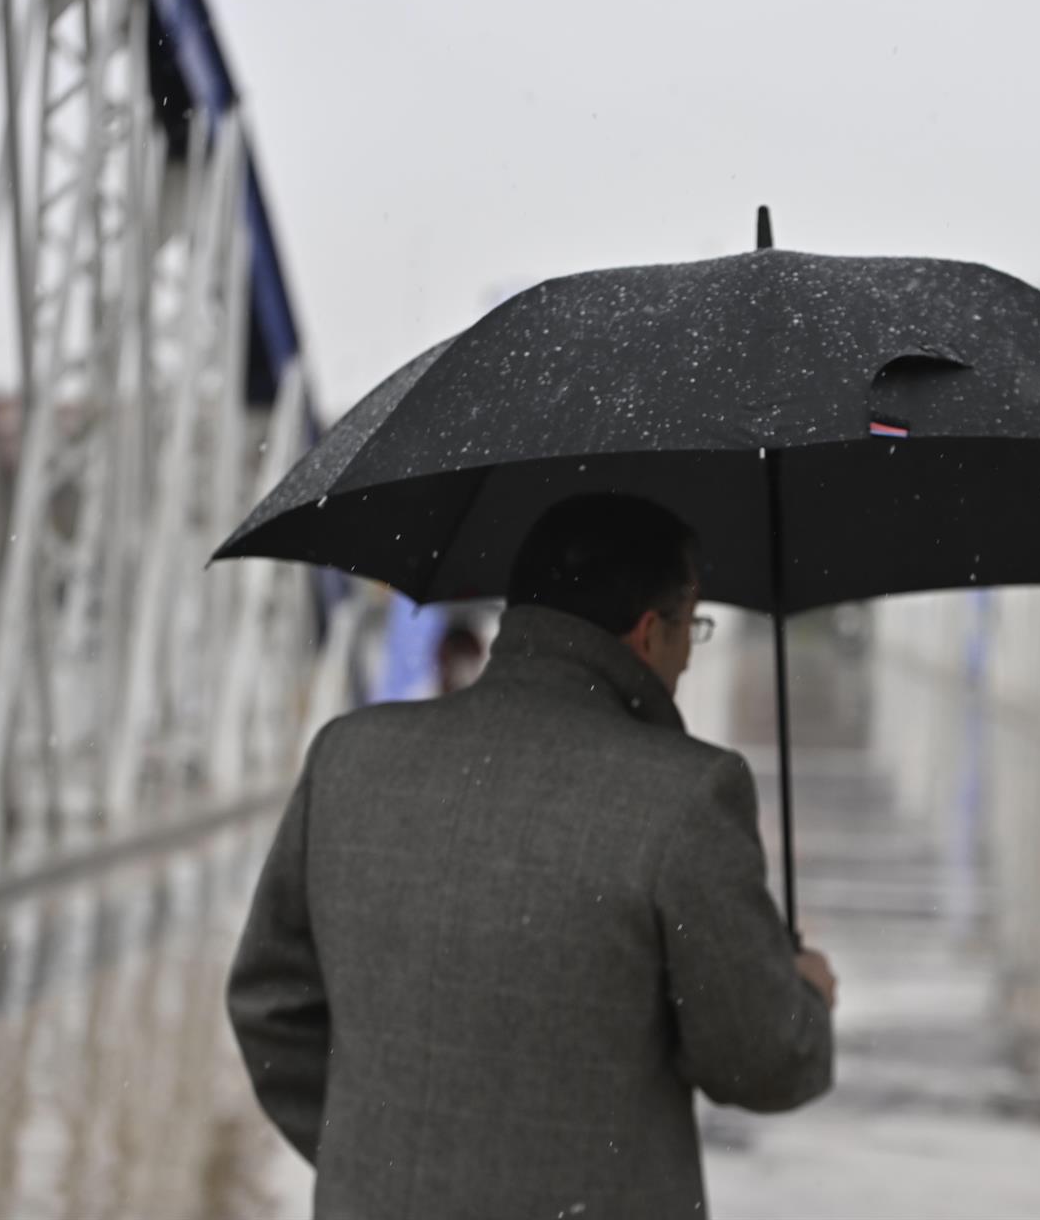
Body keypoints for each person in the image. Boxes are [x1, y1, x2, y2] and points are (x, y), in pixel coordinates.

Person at [228, 492, 837, 1219]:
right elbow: (758, 1062)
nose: (687, 654)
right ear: (648, 634)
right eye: (691, 628)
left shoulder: (349, 758)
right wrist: (802, 995)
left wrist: (379, 1160)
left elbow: (270, 1008)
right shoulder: (687, 798)